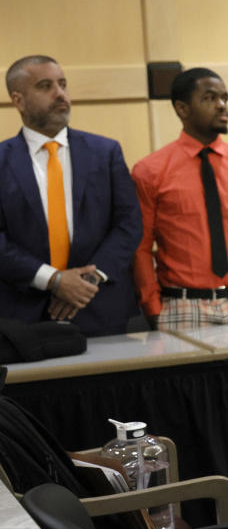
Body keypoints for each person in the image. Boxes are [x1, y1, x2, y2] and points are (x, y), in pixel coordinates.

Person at [0, 55, 142, 336]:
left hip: (100, 307)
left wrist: (85, 282)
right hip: (23, 315)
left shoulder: (105, 152)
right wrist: (53, 280)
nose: (60, 94)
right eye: (45, 86)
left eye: (63, 84)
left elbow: (129, 224)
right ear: (18, 100)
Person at [131, 68, 228, 330]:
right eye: (210, 98)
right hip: (183, 306)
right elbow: (140, 247)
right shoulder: (150, 171)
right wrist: (152, 308)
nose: (222, 106)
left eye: (224, 98)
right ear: (182, 109)